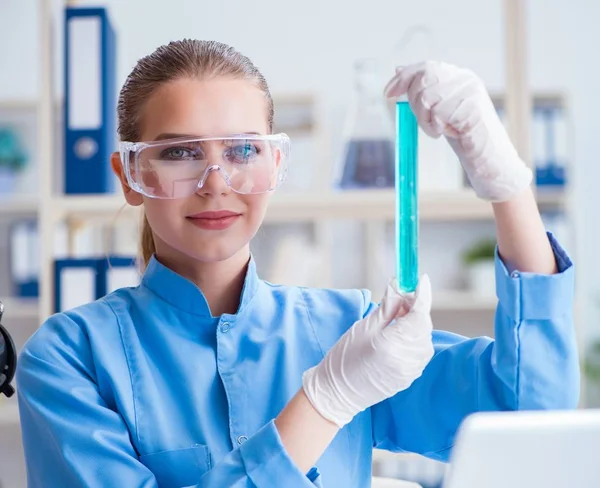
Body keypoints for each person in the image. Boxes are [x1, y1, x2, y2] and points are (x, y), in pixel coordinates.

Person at [15, 40, 579, 488]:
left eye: (242, 151)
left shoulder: (354, 333)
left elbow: (529, 410)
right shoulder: (70, 358)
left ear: (274, 163)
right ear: (131, 176)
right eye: (181, 153)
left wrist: (507, 186)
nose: (217, 185)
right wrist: (326, 400)